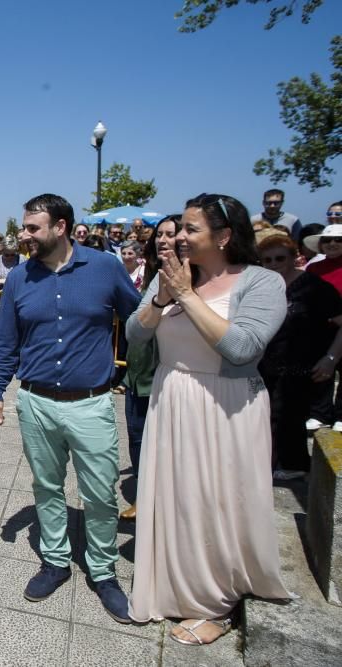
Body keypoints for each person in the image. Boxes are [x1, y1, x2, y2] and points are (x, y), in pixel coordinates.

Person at [126, 193, 291, 644]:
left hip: (224, 405)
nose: (179, 236)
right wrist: (162, 298)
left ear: (224, 236)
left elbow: (241, 347)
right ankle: (173, 585)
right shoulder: (175, 276)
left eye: (190, 229)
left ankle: (214, 604)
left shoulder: (261, 283)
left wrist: (185, 295)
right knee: (177, 498)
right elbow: (135, 336)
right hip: (170, 396)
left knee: (217, 502)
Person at [0, 193, 141, 624]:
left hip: (90, 404)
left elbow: (139, 322)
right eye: (24, 227)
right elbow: (5, 341)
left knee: (99, 493)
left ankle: (103, 571)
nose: (24, 235)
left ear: (61, 227)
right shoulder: (19, 277)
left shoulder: (105, 268)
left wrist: (140, 376)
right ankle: (55, 561)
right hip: (36, 403)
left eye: (33, 228)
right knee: (47, 487)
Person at [258, 234, 342, 479]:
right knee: (266, 418)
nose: (273, 263)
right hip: (265, 364)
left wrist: (330, 359)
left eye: (279, 258)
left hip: (301, 366)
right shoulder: (262, 286)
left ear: (294, 258)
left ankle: (293, 467)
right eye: (267, 259)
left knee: (285, 418)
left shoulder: (314, 287)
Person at [117, 215, 179, 521]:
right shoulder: (155, 275)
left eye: (172, 234)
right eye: (160, 234)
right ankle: (144, 495)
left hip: (170, 375)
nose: (163, 240)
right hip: (139, 373)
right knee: (138, 437)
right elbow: (134, 327)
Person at [303, 223, 342, 431]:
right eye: (327, 240)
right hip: (321, 325)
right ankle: (320, 413)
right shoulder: (314, 268)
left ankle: (341, 415)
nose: (332, 244)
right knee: (320, 370)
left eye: (338, 240)